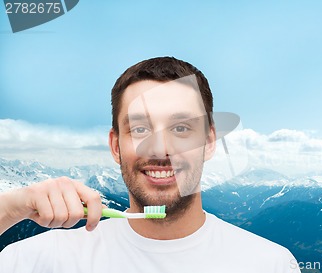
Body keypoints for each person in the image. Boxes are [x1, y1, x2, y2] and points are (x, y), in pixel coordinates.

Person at [0, 57, 300, 272]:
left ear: (209, 142)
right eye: (140, 129)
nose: (160, 149)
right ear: (116, 146)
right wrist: (11, 208)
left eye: (181, 128)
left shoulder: (269, 263)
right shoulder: (38, 260)